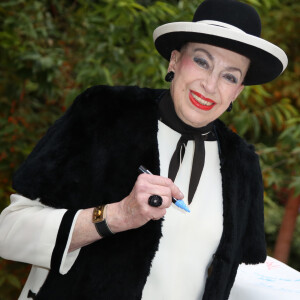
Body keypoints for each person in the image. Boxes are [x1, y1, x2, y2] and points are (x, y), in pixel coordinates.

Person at [0, 0, 288, 299]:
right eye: (202, 61)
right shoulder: (103, 113)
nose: (210, 85)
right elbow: (8, 232)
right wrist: (115, 216)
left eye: (230, 76)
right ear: (174, 60)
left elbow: (231, 277)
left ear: (237, 91)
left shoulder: (243, 165)